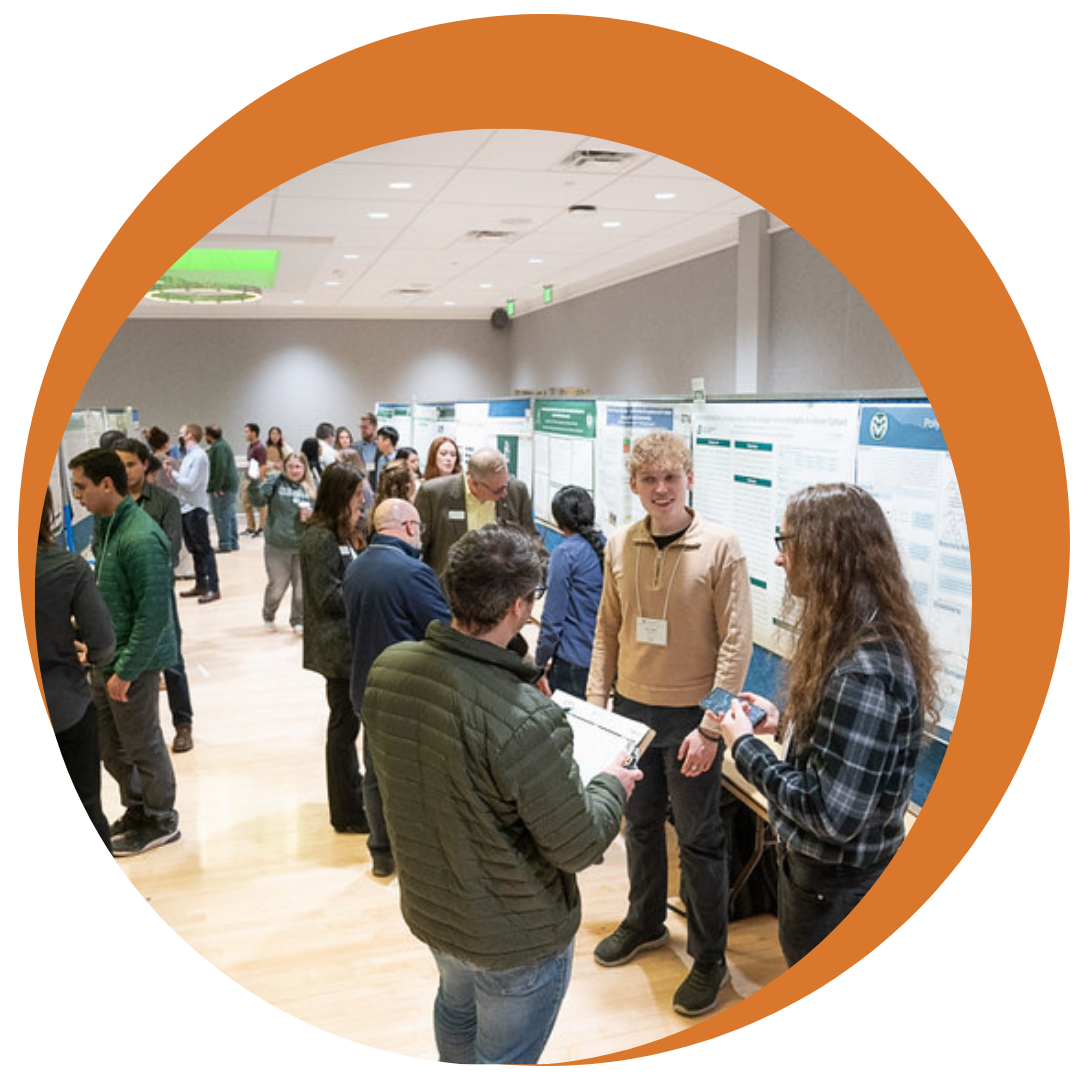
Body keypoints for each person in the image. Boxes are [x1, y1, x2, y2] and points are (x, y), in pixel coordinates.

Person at [362, 524, 641, 1065]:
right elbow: (578, 845)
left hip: (434, 908)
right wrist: (612, 782)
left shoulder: (389, 669)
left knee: (456, 1006)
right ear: (519, 606)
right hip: (514, 934)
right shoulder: (525, 719)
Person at [716, 482, 936, 967]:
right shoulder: (855, 634)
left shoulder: (862, 670)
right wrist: (786, 725)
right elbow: (845, 758)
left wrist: (745, 747)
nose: (779, 558)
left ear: (825, 551)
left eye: (787, 543)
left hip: (836, 892)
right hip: (828, 881)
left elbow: (831, 816)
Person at [586, 430, 753, 1017]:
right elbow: (607, 630)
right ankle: (646, 921)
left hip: (691, 717)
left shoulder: (721, 546)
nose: (661, 489)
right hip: (632, 710)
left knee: (700, 838)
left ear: (689, 480)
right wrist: (598, 708)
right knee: (638, 824)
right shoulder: (620, 543)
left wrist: (710, 727)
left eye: (671, 478)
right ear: (634, 485)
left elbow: (736, 644)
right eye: (650, 480)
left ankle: (709, 958)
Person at [68, 448, 180, 857]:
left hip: (134, 663)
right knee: (110, 746)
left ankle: (161, 818)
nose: (77, 496)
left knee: (142, 744)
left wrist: (127, 670)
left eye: (81, 487)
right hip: (106, 657)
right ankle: (138, 808)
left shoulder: (141, 537)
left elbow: (154, 616)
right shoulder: (107, 526)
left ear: (106, 484)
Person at [343, 498, 451, 877]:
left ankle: (381, 854)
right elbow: (443, 629)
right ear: (409, 527)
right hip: (409, 693)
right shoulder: (413, 572)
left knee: (375, 774)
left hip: (366, 688)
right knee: (416, 777)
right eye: (419, 528)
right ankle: (417, 855)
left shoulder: (356, 568)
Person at [36, 487, 115, 850]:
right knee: (87, 805)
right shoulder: (67, 568)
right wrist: (86, 654)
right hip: (64, 706)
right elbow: (103, 641)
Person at [298, 464, 369, 834]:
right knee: (343, 729)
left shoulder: (338, 533)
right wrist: (368, 589)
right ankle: (346, 812)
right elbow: (328, 596)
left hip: (346, 644)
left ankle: (353, 795)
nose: (362, 501)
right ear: (341, 496)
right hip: (336, 648)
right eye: (357, 495)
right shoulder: (319, 539)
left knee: (347, 725)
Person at [114, 438, 196, 753]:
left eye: (131, 464)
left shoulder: (164, 502)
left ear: (145, 464)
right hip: (121, 597)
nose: (125, 471)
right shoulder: (111, 505)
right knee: (128, 659)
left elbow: (170, 552)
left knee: (171, 660)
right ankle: (140, 732)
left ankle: (183, 724)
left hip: (157, 593)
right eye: (120, 466)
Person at [414, 446, 540, 580]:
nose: (504, 493)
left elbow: (530, 538)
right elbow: (417, 545)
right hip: (451, 585)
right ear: (474, 483)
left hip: (502, 585)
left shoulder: (517, 491)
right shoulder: (433, 494)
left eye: (506, 484)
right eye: (498, 490)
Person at [534, 486, 606, 698]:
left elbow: (552, 620)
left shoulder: (565, 553)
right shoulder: (607, 545)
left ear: (558, 520)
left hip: (572, 661)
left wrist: (539, 663)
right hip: (604, 661)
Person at [248, 451, 315, 633]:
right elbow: (258, 501)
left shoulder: (311, 487)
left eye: (298, 466)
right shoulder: (275, 481)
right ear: (285, 467)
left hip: (303, 545)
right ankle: (268, 614)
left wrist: (312, 516)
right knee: (277, 586)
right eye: (290, 466)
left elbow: (321, 515)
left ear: (305, 468)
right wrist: (254, 482)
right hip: (277, 545)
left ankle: (298, 619)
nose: (294, 470)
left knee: (301, 588)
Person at [166, 422, 221, 603]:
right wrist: (171, 474)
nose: (179, 434)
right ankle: (201, 584)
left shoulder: (199, 456)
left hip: (196, 509)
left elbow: (190, 484)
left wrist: (174, 474)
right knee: (194, 550)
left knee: (204, 549)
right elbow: (182, 485)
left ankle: (213, 587)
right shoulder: (189, 456)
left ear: (189, 435)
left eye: (181, 432)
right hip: (186, 507)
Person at [205, 423, 240, 552]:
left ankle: (225, 543)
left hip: (223, 487)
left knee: (221, 515)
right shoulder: (222, 445)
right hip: (229, 485)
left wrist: (216, 487)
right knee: (229, 514)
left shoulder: (219, 447)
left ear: (209, 436)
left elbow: (220, 467)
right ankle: (232, 542)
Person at [242, 422, 269, 536]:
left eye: (247, 432)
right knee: (246, 503)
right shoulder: (251, 447)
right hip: (249, 478)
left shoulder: (260, 448)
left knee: (261, 505)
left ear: (254, 433)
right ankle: (250, 527)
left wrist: (260, 481)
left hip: (257, 479)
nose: (245, 434)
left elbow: (263, 465)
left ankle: (262, 527)